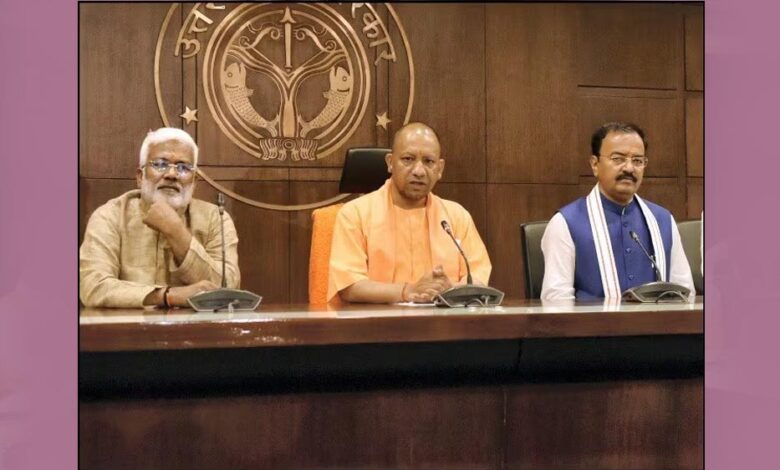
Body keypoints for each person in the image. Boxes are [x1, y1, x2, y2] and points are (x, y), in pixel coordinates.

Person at [327, 122, 491, 304]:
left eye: (428, 161)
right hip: (378, 319)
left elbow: (478, 278)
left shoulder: (456, 217)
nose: (419, 171)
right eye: (408, 159)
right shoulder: (355, 214)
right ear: (390, 163)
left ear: (440, 169)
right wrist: (407, 291)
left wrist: (449, 290)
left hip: (443, 319)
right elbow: (349, 287)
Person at [79, 128, 240, 308]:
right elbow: (92, 286)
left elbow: (227, 289)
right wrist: (168, 296)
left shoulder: (215, 218)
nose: (171, 174)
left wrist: (176, 232)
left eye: (183, 168)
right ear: (140, 177)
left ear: (194, 182)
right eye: (160, 164)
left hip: (195, 326)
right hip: (127, 325)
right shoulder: (110, 216)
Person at [540, 122, 694, 300]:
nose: (629, 168)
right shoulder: (565, 223)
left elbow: (685, 293)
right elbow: (557, 301)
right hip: (593, 319)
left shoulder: (663, 220)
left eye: (637, 161)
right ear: (595, 164)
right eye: (618, 159)